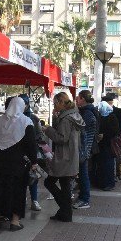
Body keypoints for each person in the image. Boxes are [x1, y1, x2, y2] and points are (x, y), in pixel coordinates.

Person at [0, 97, 37, 231]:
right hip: (17, 165)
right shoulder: (26, 122)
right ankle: (14, 221)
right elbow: (31, 145)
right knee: (16, 192)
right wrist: (34, 162)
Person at [42, 92, 84, 222]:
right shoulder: (73, 115)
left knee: (50, 182)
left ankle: (66, 209)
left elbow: (61, 138)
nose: (54, 106)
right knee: (65, 185)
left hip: (65, 157)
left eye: (55, 103)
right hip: (71, 155)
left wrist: (47, 129)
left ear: (61, 102)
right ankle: (65, 212)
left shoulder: (66, 119)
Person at [72, 90, 98, 209]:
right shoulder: (87, 111)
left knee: (83, 174)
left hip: (84, 148)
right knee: (82, 174)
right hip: (84, 148)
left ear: (83, 99)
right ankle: (83, 196)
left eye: (78, 98)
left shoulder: (87, 113)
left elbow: (81, 129)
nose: (76, 100)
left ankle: (85, 199)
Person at [19, 94, 43, 211]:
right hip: (19, 153)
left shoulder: (34, 118)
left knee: (33, 178)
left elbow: (39, 134)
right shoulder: (14, 117)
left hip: (32, 152)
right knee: (21, 178)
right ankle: (22, 199)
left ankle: (34, 200)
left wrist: (32, 141)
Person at [96, 101, 120, 191]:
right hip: (101, 144)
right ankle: (103, 182)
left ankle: (109, 183)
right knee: (102, 164)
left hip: (109, 144)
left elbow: (115, 131)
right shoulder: (100, 116)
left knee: (108, 164)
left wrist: (104, 135)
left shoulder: (112, 117)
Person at [103, 94, 121, 180]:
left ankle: (117, 174)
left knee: (115, 155)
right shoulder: (119, 111)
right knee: (117, 155)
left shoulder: (117, 111)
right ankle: (117, 174)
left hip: (113, 137)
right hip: (116, 137)